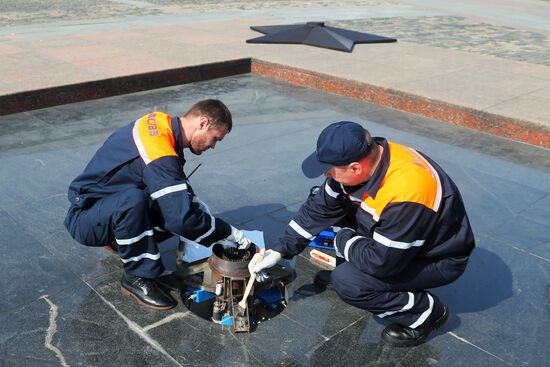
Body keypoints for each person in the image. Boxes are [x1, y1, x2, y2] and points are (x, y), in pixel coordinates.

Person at [249, 121, 475, 347]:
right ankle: (358, 263)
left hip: (434, 258)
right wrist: (280, 250)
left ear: (356, 167)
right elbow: (320, 208)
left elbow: (381, 263)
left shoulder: (408, 191)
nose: (326, 173)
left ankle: (425, 313)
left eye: (330, 168)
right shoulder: (373, 158)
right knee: (324, 200)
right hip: (398, 236)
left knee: (349, 282)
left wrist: (341, 238)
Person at [64, 99, 252, 310]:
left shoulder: (162, 125)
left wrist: (197, 211)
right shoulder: (159, 149)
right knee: (143, 204)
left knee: (171, 206)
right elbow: (179, 217)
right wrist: (226, 233)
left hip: (102, 205)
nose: (213, 146)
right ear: (202, 123)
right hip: (85, 219)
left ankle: (116, 237)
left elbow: (171, 183)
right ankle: (137, 277)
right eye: (215, 138)